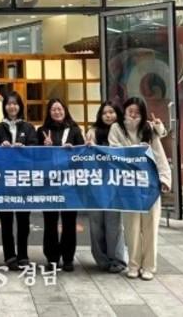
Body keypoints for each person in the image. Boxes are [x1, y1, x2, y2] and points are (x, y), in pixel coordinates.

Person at [108, 96, 171, 281]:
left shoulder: (148, 129)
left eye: (137, 111)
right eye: (130, 110)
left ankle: (149, 266)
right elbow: (114, 151)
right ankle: (134, 265)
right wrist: (137, 150)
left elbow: (159, 155)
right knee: (131, 227)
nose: (133, 114)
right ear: (125, 111)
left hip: (149, 184)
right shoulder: (116, 128)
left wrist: (164, 179)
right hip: (128, 185)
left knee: (150, 227)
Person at [0, 91, 38, 271]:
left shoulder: (28, 127)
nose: (12, 107)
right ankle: (9, 255)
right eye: (9, 104)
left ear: (20, 106)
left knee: (23, 220)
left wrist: (24, 147)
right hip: (4, 180)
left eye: (15, 103)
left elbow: (36, 148)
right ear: (4, 107)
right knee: (6, 220)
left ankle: (23, 255)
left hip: (23, 179)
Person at [37, 98, 85, 272]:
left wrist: (74, 150)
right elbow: (34, 156)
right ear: (49, 112)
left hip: (69, 182)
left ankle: (68, 258)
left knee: (69, 221)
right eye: (53, 109)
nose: (57, 112)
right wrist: (44, 147)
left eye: (60, 109)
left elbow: (83, 155)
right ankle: (52, 258)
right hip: (49, 182)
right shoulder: (42, 131)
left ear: (65, 110)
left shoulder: (74, 130)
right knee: (50, 221)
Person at [86, 101, 128, 274]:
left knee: (114, 223)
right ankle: (101, 260)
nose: (108, 115)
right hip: (95, 183)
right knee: (96, 223)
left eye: (111, 112)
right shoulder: (93, 131)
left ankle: (117, 259)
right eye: (105, 113)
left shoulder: (123, 131)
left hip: (114, 183)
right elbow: (85, 157)